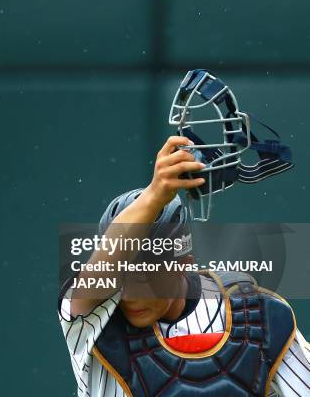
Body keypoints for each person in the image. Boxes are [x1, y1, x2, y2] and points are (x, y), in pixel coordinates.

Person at [59, 136, 310, 397]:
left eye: (146, 276)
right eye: (122, 276)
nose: (130, 293)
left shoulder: (259, 318)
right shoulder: (91, 319)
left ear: (183, 265)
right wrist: (154, 196)